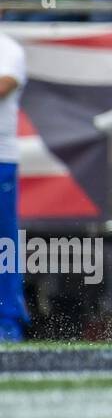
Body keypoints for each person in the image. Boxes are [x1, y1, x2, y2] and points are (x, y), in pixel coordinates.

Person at [0, 30, 26, 341]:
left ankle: (7, 320)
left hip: (1, 158)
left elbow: (4, 84)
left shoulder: (7, 49)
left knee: (3, 243)